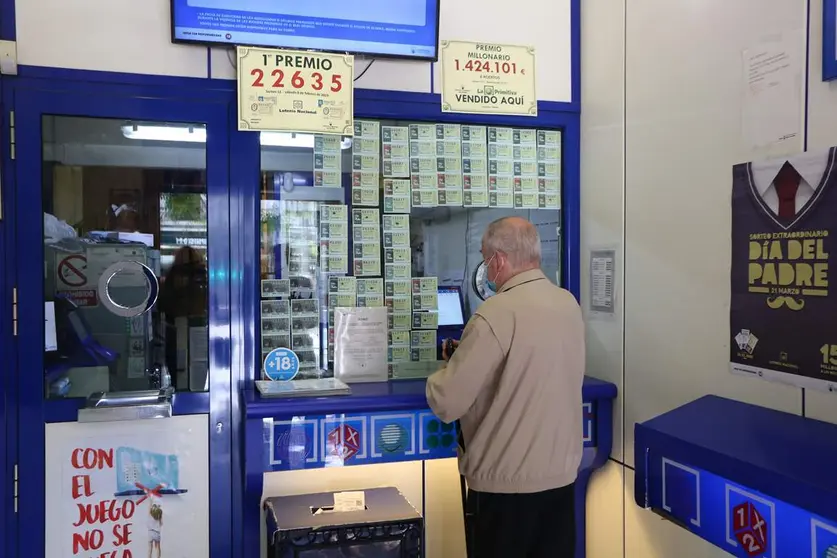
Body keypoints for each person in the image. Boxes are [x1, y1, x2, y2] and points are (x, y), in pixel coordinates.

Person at [426, 216, 585, 558]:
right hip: (560, 483)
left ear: (497, 261)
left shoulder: (495, 313)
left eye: (485, 259)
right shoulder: (567, 304)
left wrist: (442, 371)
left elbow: (448, 401)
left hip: (505, 491)